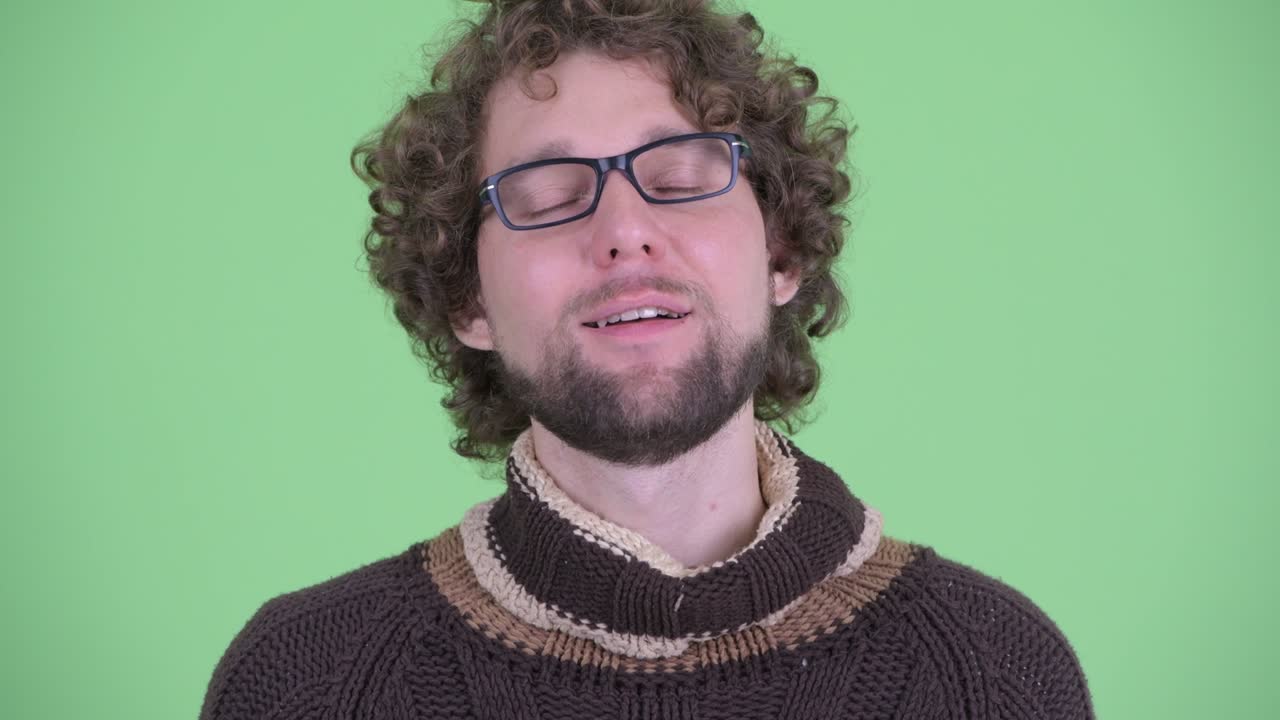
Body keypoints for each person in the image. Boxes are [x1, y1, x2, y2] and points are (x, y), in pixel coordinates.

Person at [201, 1, 1095, 718]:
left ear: (781, 253)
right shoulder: (304, 685)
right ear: (468, 300)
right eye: (548, 198)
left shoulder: (995, 674)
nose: (626, 233)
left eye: (679, 179)